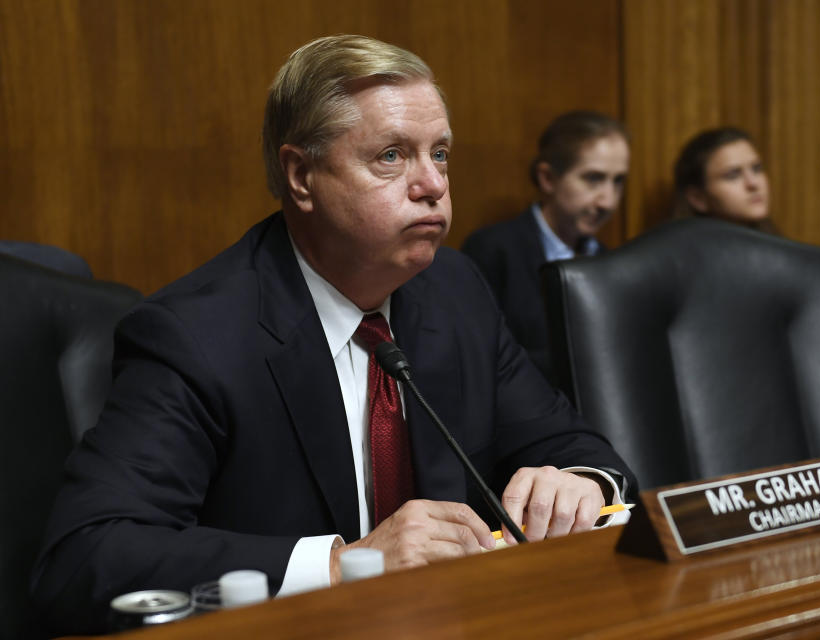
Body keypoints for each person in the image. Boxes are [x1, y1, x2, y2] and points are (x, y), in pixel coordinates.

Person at [29, 35, 635, 634]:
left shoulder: (455, 290)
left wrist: (576, 484)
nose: (433, 184)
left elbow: (583, 451)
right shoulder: (196, 335)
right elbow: (86, 558)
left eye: (441, 153)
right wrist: (342, 565)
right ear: (300, 175)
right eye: (392, 156)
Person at [461, 111, 630, 382]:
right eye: (593, 179)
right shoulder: (494, 250)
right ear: (547, 179)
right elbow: (482, 359)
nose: (607, 202)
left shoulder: (609, 261)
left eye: (618, 181)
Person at [671, 126, 776, 233]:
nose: (753, 183)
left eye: (757, 169)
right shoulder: (679, 248)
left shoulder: (778, 245)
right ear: (698, 198)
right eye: (733, 175)